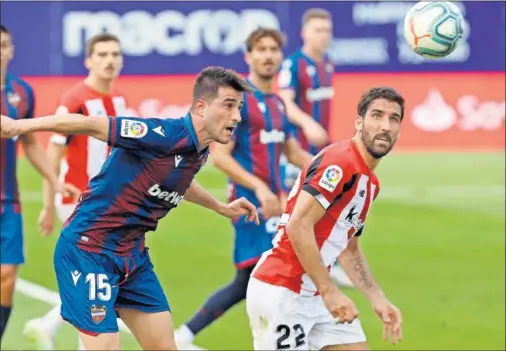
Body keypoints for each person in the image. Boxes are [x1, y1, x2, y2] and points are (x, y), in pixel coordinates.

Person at [0, 66, 259, 350]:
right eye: (229, 105)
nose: (237, 116)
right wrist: (19, 126)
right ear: (201, 106)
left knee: (164, 346)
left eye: (240, 107)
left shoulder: (199, 150)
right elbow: (90, 124)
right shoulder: (162, 134)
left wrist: (220, 207)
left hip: (132, 258)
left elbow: (179, 181)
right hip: (89, 250)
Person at [175, 28, 313, 349]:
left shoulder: (278, 103)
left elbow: (291, 151)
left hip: (275, 205)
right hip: (250, 203)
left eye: (273, 49)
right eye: (261, 49)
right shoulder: (240, 103)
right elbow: (220, 156)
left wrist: (332, 166)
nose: (268, 55)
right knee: (269, 276)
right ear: (249, 57)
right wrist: (259, 188)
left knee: (255, 280)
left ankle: (184, 336)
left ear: (281, 56)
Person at [247, 87, 404, 350]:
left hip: (316, 293)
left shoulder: (370, 184)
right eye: (376, 115)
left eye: (393, 119)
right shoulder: (340, 162)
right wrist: (330, 291)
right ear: (359, 122)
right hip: (282, 291)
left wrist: (378, 298)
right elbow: (298, 225)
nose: (385, 126)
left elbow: (349, 249)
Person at [23, 32, 129, 351]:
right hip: (78, 199)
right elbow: (53, 153)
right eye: (102, 54)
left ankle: (47, 325)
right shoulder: (75, 100)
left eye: (114, 54)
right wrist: (46, 204)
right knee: (100, 277)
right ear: (88, 60)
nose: (109, 60)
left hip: (108, 203)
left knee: (101, 277)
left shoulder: (120, 100)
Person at [0, 24, 78, 342]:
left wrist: (54, 182)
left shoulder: (21, 94)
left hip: (7, 200)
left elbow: (30, 142)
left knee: (6, 276)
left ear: (11, 50)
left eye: (3, 44)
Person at [278, 8, 353, 288]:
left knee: (326, 205)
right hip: (296, 147)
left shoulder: (327, 64)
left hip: (321, 149)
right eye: (318, 30)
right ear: (304, 33)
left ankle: (323, 261)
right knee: (300, 208)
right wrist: (307, 123)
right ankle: (300, 263)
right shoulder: (294, 64)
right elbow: (284, 100)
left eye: (327, 30)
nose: (324, 36)